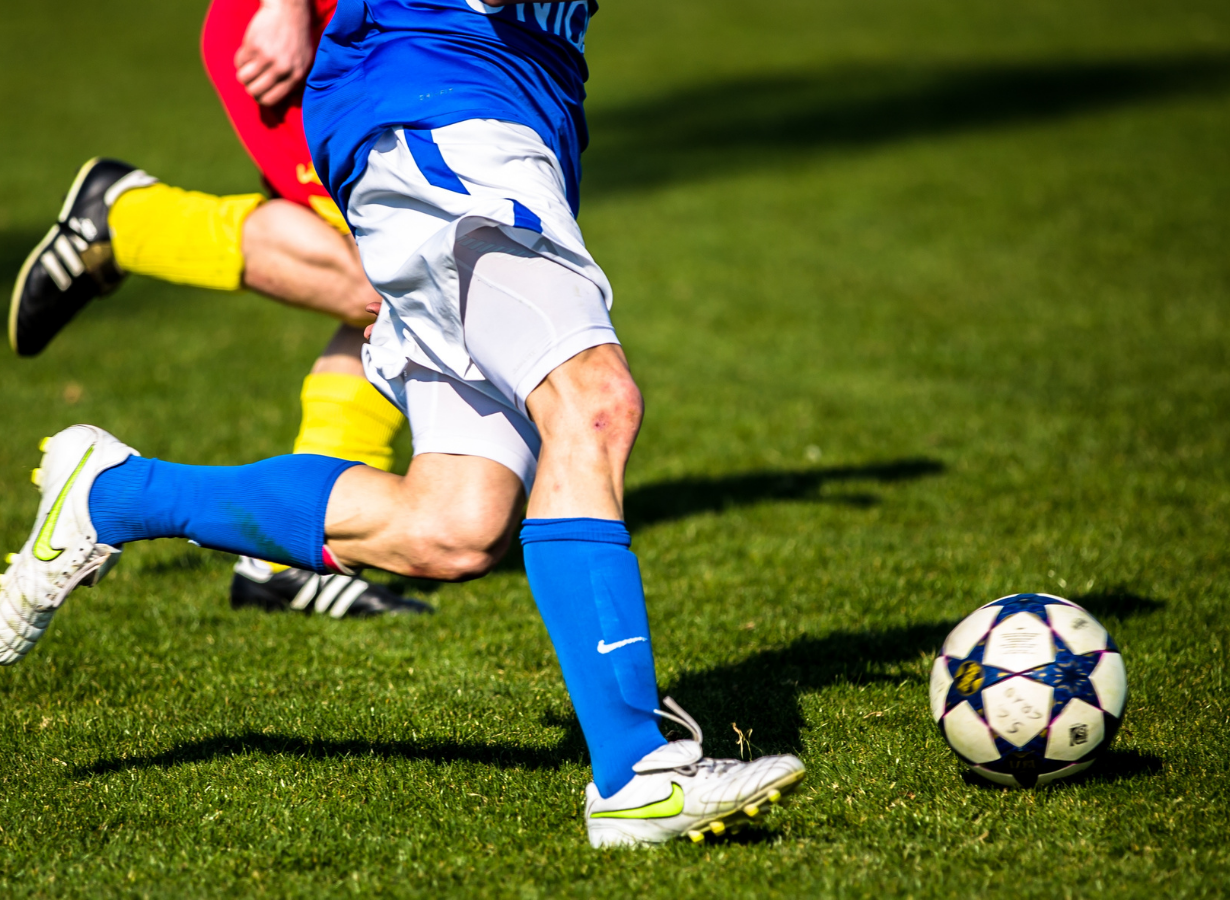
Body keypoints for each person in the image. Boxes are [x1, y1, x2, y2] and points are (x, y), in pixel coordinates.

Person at [0, 0, 807, 848]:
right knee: (592, 400)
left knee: (454, 525)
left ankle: (118, 495)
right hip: (440, 104)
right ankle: (637, 775)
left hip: (508, 116)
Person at [7, 0, 429, 618]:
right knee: (400, 282)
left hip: (392, 43)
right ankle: (130, 221)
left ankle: (290, 559)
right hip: (307, 31)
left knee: (410, 280)